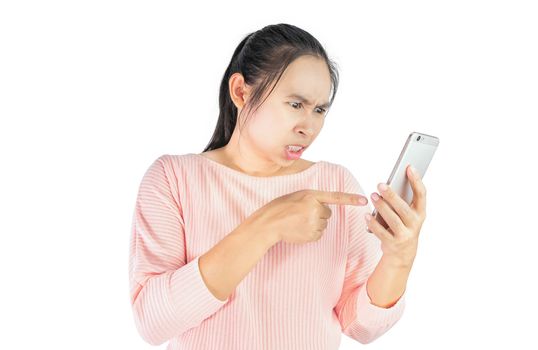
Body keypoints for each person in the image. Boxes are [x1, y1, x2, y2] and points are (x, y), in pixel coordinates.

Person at [128, 23, 427, 349]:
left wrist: (399, 258)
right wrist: (267, 225)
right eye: (295, 105)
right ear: (241, 91)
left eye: (319, 110)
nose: (308, 127)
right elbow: (153, 322)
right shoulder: (174, 178)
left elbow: (360, 325)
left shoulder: (334, 184)